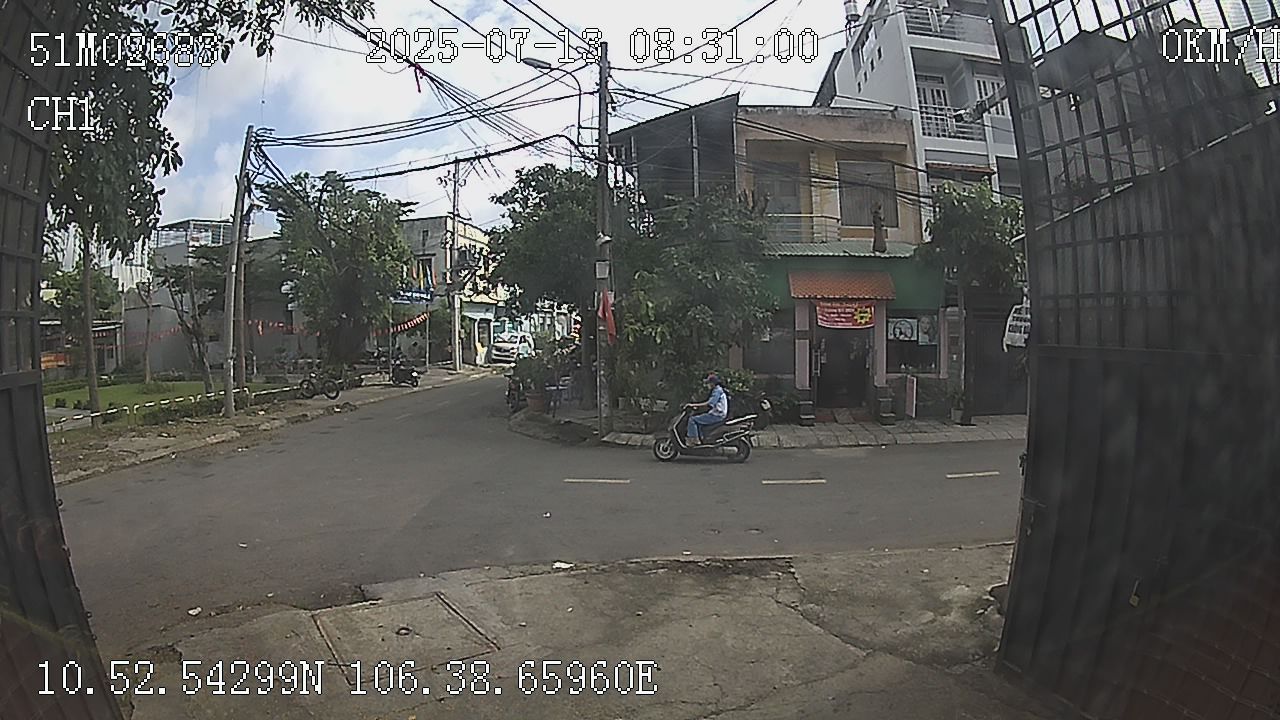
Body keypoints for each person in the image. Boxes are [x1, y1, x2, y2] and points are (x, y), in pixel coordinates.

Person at [685, 373, 729, 446]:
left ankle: (694, 440)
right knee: (698, 422)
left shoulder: (717, 391)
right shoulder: (718, 390)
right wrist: (697, 407)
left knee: (692, 420)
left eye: (708, 383)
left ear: (712, 383)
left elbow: (710, 403)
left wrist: (693, 405)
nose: (708, 385)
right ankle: (701, 439)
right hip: (717, 414)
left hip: (717, 415)